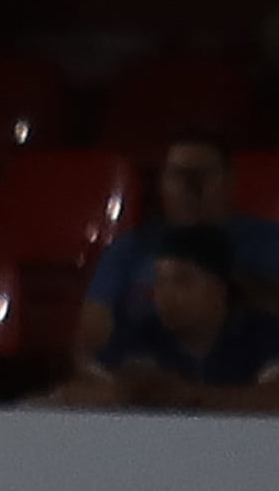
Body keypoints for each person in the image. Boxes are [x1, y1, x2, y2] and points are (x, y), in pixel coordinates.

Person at [79, 136, 279, 362]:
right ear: (162, 185)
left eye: (204, 175)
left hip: (250, 375)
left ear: (229, 182)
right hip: (147, 379)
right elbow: (91, 337)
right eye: (179, 175)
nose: (192, 188)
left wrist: (233, 285)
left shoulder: (270, 242)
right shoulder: (130, 248)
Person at [45, 224, 279, 413]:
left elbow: (272, 398)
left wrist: (189, 395)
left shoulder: (263, 333)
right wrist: (126, 392)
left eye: (182, 281)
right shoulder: (140, 336)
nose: (165, 295)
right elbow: (86, 389)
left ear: (221, 288)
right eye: (160, 282)